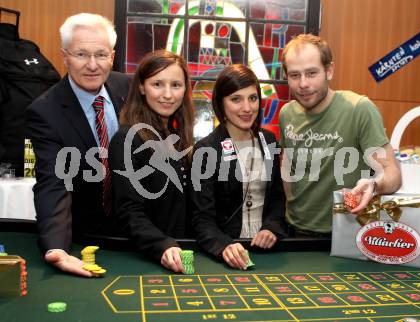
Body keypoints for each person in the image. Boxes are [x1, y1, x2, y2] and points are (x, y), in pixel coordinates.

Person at [26, 13, 131, 277]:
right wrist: (56, 248)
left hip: (142, 232)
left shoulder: (131, 88)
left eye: (101, 54)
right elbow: (54, 181)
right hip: (89, 238)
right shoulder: (45, 111)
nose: (92, 65)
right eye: (81, 54)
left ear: (112, 55)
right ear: (64, 56)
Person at [279, 33, 402, 237]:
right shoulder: (286, 113)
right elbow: (288, 168)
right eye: (294, 75)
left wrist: (374, 184)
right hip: (294, 230)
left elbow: (393, 174)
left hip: (347, 231)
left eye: (311, 73)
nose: (303, 84)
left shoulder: (359, 109)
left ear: (329, 71)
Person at [191, 64, 287, 270]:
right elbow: (202, 217)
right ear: (220, 103)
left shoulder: (268, 140)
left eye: (252, 98)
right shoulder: (206, 148)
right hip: (225, 252)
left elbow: (278, 199)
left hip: (266, 251)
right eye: (236, 99)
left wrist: (271, 228)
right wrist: (223, 245)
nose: (247, 108)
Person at [108, 50, 194, 273]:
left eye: (176, 85)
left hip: (181, 252)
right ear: (141, 87)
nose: (168, 94)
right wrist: (162, 245)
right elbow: (129, 212)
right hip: (148, 259)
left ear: (185, 89)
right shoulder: (127, 139)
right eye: (157, 84)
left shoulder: (178, 136)